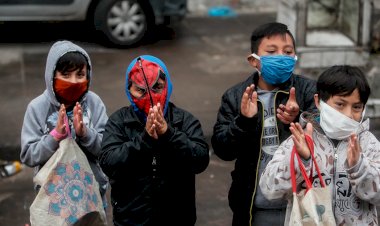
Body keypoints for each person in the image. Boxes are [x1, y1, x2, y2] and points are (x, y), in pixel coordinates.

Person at [211, 22, 317, 226]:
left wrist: (299, 119)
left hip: (300, 205)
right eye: (272, 52)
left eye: (288, 52)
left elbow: (328, 133)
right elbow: (222, 149)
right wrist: (243, 121)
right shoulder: (236, 96)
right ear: (254, 60)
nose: (282, 57)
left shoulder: (306, 90)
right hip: (252, 207)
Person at [259, 65, 380, 225]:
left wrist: (359, 168)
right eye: (340, 104)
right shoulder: (300, 139)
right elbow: (269, 190)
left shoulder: (368, 143)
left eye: (356, 107)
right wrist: (300, 160)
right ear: (318, 101)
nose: (348, 114)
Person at [99, 55, 210, 226]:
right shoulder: (119, 121)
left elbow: (200, 160)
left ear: (168, 86)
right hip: (131, 220)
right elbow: (109, 163)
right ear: (129, 90)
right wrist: (144, 140)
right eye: (141, 90)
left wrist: (169, 134)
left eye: (157, 87)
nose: (150, 97)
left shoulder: (184, 120)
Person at [20, 40, 109, 203]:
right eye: (66, 75)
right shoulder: (37, 107)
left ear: (88, 76)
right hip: (52, 199)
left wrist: (85, 134)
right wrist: (55, 137)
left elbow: (107, 149)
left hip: (92, 195)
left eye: (80, 75)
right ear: (52, 75)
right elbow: (28, 155)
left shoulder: (94, 103)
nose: (74, 81)